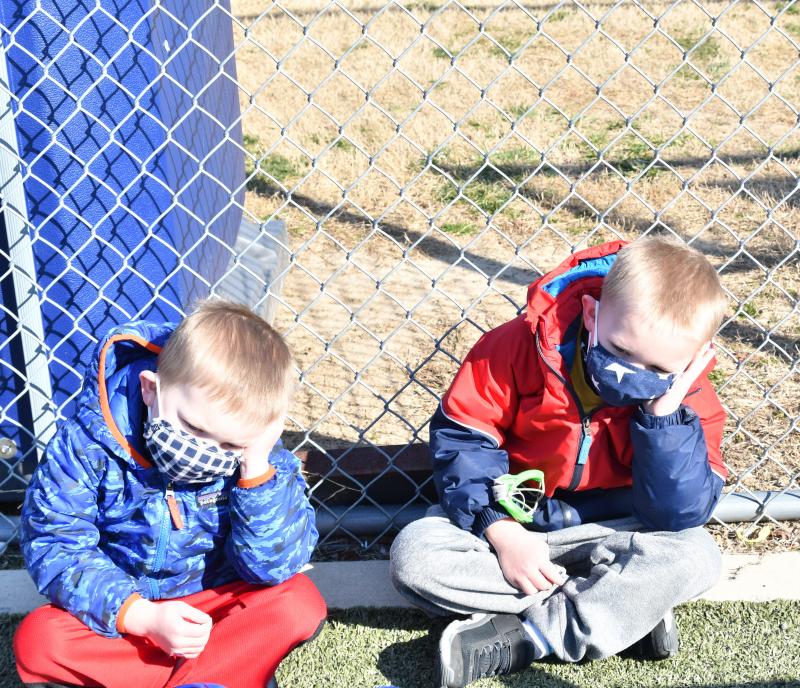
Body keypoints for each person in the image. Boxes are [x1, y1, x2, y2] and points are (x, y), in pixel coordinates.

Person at [390, 237, 729, 688]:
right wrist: (501, 530)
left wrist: (663, 420)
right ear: (591, 314)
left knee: (697, 556)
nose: (630, 374)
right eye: (620, 351)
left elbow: (675, 515)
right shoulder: (513, 348)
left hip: (616, 530)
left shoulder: (690, 401)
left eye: (657, 369)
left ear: (692, 362)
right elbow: (463, 443)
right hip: (514, 525)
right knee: (417, 557)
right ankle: (621, 613)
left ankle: (531, 636)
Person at [14, 299, 326, 688]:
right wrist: (141, 616)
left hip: (210, 611)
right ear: (150, 389)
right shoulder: (83, 446)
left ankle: (185, 677)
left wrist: (256, 469)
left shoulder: (259, 458)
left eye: (229, 444)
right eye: (193, 428)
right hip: (127, 616)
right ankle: (220, 675)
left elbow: (271, 567)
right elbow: (55, 543)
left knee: (296, 603)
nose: (206, 451)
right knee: (41, 639)